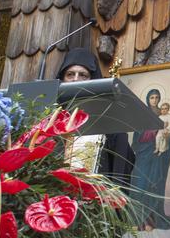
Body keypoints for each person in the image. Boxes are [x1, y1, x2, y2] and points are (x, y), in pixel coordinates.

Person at [57, 48, 136, 186]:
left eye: (83, 75)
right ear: (62, 78)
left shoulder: (109, 121)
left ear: (93, 80)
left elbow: (121, 166)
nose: (76, 79)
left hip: (93, 200)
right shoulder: (51, 117)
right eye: (70, 74)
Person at [129, 89, 170, 231]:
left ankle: (153, 220)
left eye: (156, 97)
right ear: (148, 99)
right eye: (152, 98)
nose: (154, 100)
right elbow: (138, 138)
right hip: (144, 155)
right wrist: (153, 132)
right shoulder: (143, 115)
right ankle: (138, 220)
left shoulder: (164, 115)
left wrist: (168, 137)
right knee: (140, 185)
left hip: (157, 157)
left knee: (155, 185)